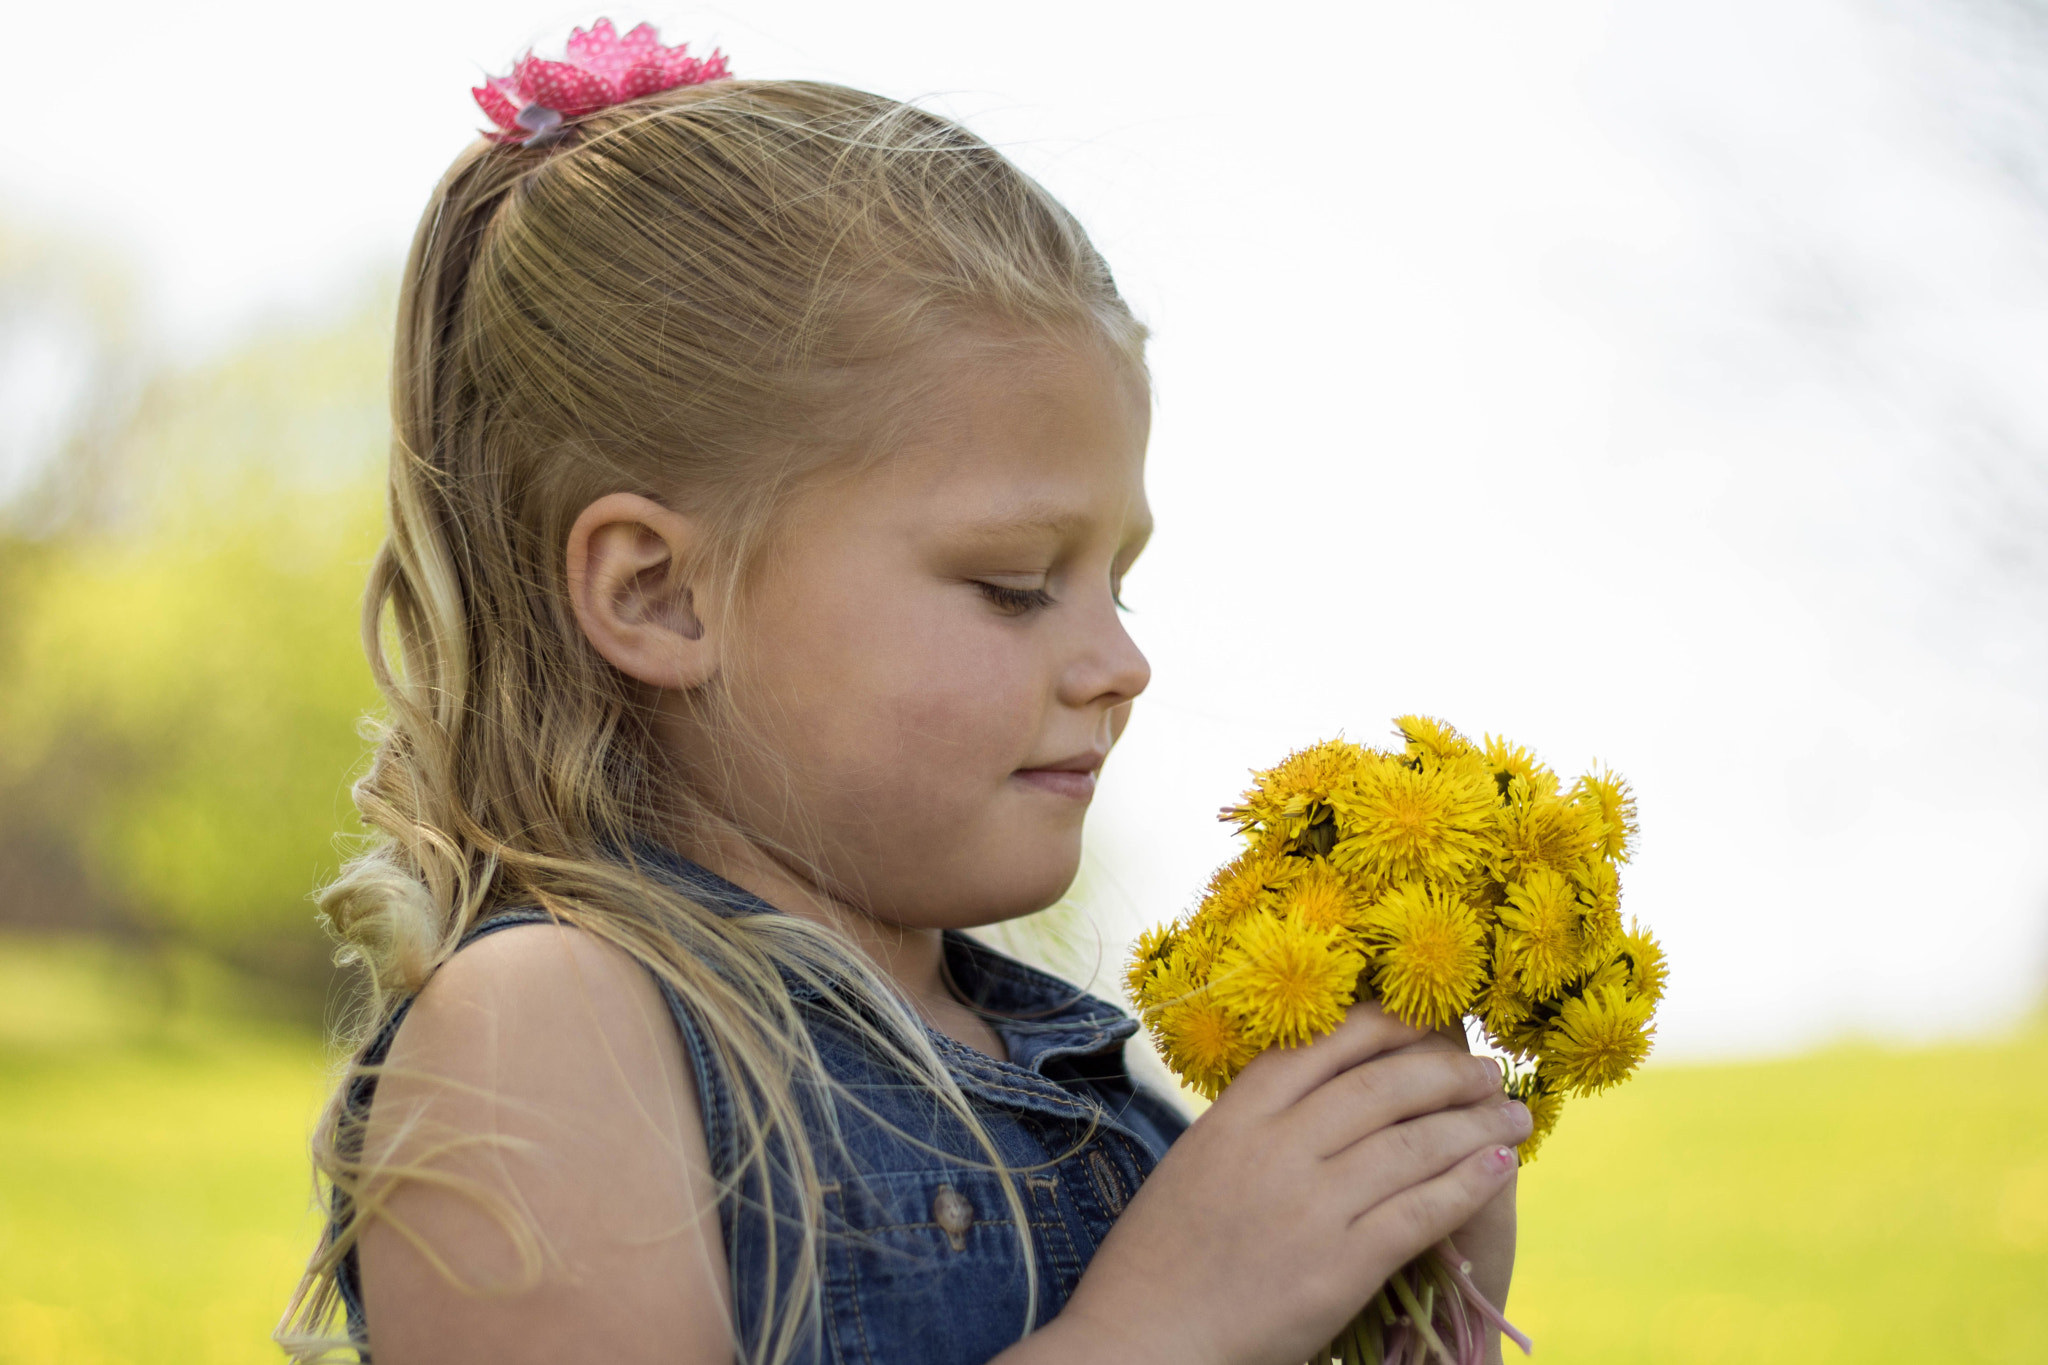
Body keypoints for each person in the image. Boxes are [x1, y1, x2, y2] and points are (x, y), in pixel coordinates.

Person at [279, 21, 1531, 1365]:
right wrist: (1163, 1327)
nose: (1121, 662)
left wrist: (1404, 1278)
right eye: (1011, 582)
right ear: (658, 593)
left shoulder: (1091, 1081)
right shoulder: (546, 1027)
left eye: (1121, 581)